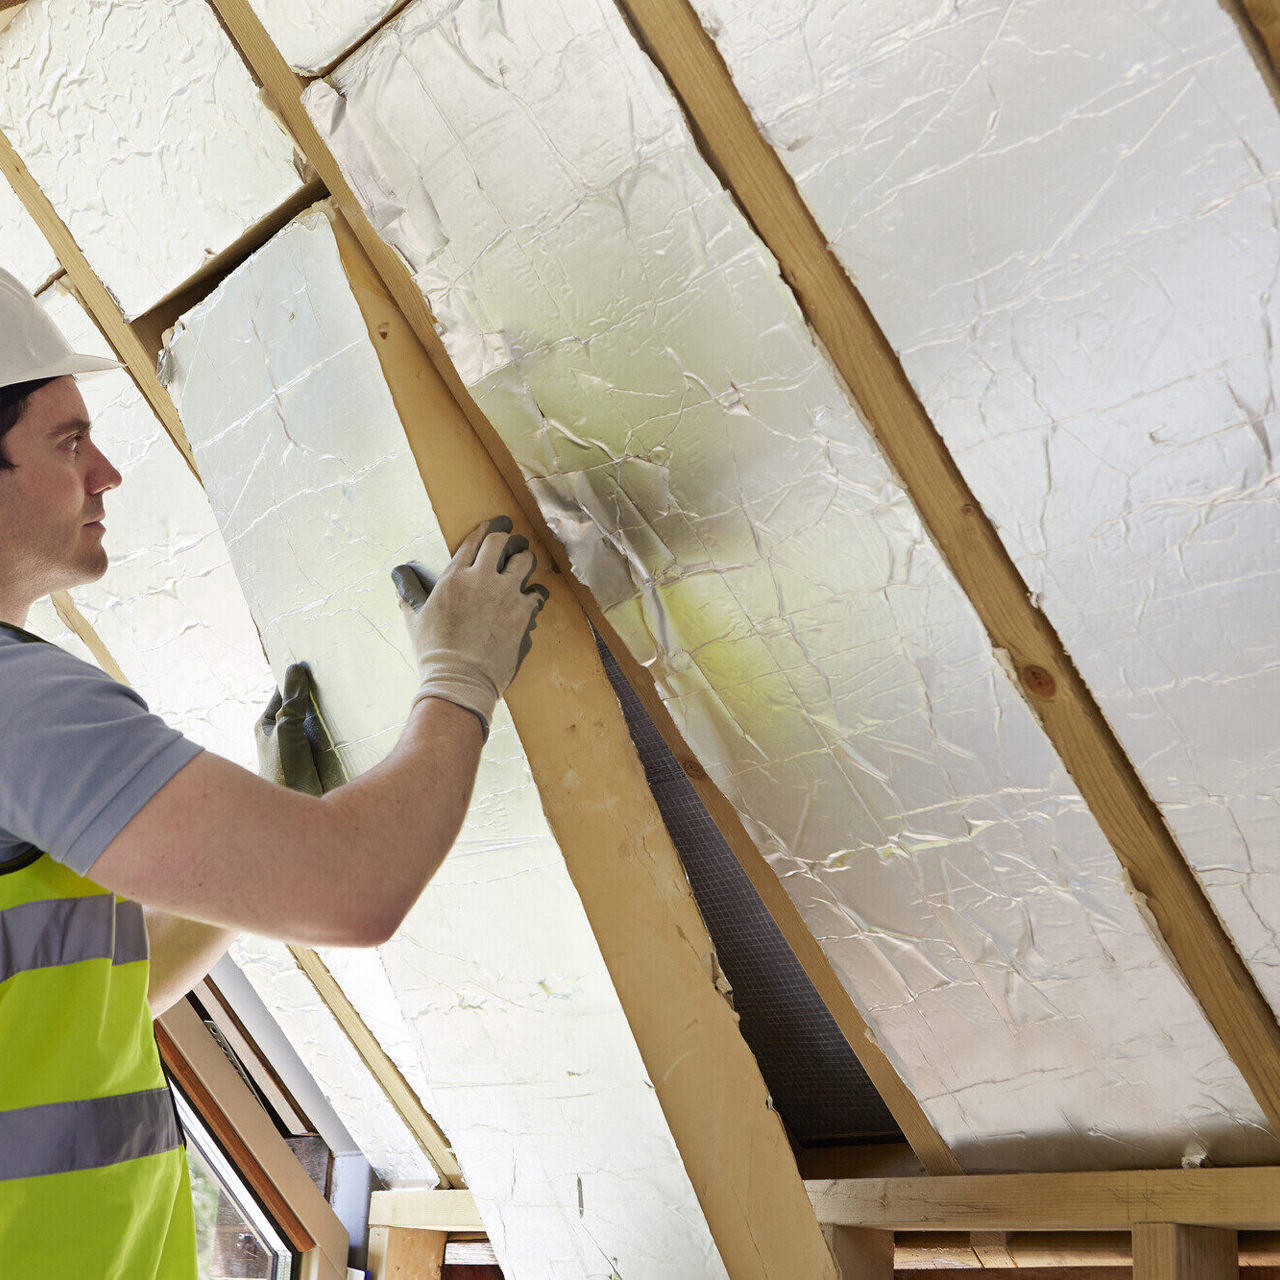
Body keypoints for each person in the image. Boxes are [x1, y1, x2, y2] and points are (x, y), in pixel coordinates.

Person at [0, 266, 548, 1276]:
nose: (107, 473)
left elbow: (83, 1007)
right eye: (68, 442)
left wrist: (255, 852)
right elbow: (354, 887)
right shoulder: (17, 707)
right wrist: (460, 674)